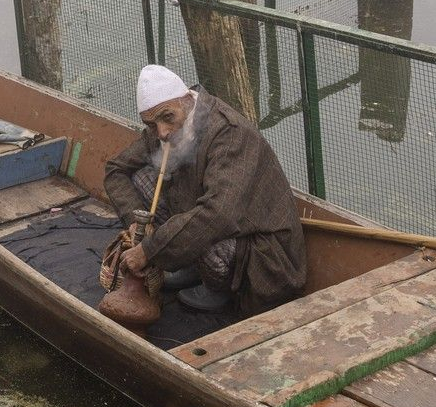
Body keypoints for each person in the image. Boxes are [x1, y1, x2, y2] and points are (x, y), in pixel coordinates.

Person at [104, 64, 306, 315]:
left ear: (187, 101)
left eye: (168, 118)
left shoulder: (229, 133)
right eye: (151, 124)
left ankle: (218, 286)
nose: (162, 133)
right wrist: (135, 220)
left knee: (208, 218)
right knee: (140, 175)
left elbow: (219, 214)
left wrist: (149, 249)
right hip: (212, 219)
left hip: (260, 258)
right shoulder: (161, 127)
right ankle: (192, 265)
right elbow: (116, 170)